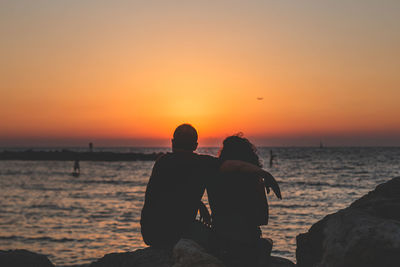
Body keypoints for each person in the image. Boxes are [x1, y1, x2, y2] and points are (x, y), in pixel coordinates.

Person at [140, 124, 281, 250]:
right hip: (178, 234)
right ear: (195, 145)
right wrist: (264, 174)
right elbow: (262, 219)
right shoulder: (203, 164)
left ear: (172, 142)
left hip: (150, 234)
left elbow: (170, 191)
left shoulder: (161, 162)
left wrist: (198, 203)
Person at [207, 134, 281, 266]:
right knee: (267, 244)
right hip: (247, 242)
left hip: (219, 239)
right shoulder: (254, 179)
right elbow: (262, 219)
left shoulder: (213, 175)